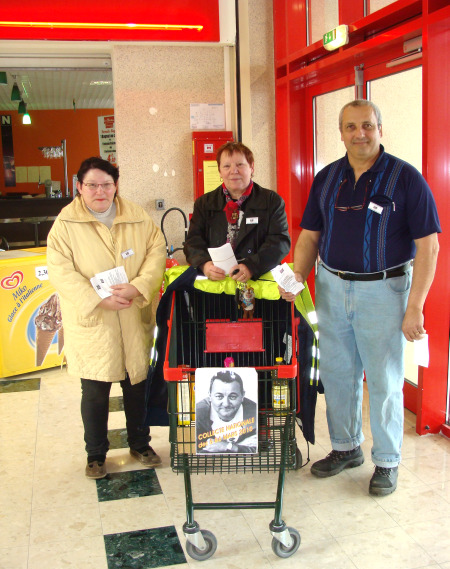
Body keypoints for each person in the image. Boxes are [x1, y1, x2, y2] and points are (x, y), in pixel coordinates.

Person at [279, 100, 440, 496]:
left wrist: (415, 305)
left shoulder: (406, 179)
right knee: (336, 373)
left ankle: (386, 461)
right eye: (350, 127)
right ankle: (346, 447)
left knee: (384, 379)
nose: (359, 134)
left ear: (380, 128)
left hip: (384, 290)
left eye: (367, 125)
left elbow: (429, 247)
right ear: (341, 133)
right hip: (332, 287)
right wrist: (298, 275)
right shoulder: (327, 177)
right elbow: (309, 236)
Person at [47, 156, 166, 479]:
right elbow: (60, 271)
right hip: (94, 321)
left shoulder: (138, 217)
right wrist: (96, 298)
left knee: (136, 385)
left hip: (131, 313)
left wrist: (137, 287)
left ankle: (140, 443)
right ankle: (96, 454)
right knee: (95, 391)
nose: (100, 191)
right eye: (92, 185)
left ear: (116, 186)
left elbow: (157, 252)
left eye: (107, 184)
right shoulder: (65, 224)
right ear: (79, 187)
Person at [184, 141, 291, 283]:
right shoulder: (204, 204)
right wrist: (205, 265)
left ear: (251, 167)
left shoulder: (272, 201)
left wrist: (251, 266)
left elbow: (280, 242)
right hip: (216, 286)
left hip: (257, 283)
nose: (234, 171)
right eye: (227, 166)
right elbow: (193, 242)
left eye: (240, 165)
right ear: (220, 171)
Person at [196, 370, 257, 454]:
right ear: (210, 395)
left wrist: (227, 446)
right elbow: (193, 448)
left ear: (242, 395)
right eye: (219, 396)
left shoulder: (255, 412)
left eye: (232, 397)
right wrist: (240, 447)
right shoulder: (198, 413)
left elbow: (260, 448)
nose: (226, 404)